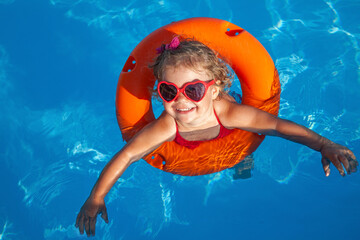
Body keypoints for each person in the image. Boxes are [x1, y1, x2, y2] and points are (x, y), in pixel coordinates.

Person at [75, 37, 358, 236]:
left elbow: (278, 127)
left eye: (193, 90)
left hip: (234, 142)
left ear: (213, 89)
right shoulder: (168, 124)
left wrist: (323, 144)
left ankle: (242, 178)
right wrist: (96, 196)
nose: (181, 101)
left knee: (242, 166)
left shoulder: (229, 112)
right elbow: (128, 154)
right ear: (159, 92)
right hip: (191, 151)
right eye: (169, 91)